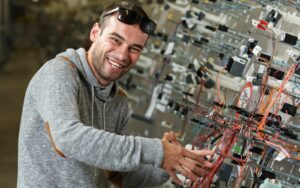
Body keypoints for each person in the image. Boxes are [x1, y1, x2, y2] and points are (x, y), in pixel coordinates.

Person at [17, 0, 213, 187]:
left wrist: (175, 162)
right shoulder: (59, 73)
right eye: (115, 40)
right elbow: (67, 139)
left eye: (134, 48)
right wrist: (158, 151)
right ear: (95, 33)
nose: (122, 55)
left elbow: (117, 173)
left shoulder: (118, 101)